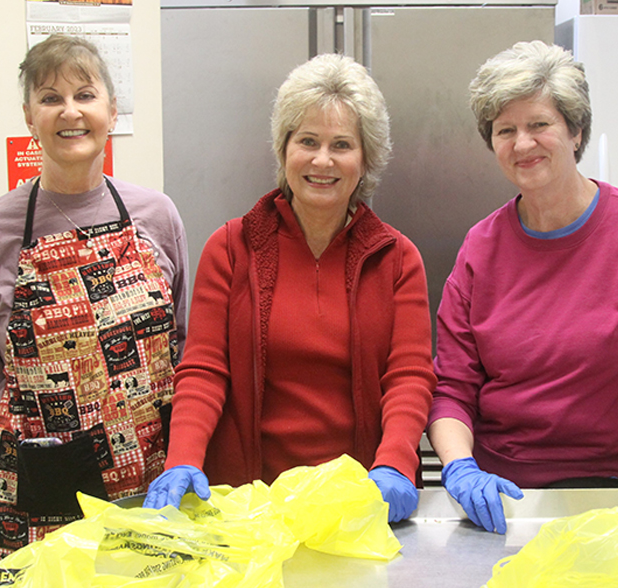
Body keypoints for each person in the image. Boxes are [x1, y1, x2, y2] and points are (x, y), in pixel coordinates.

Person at [427, 41, 618, 534]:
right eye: (505, 130)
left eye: (539, 125)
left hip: (615, 493)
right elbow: (452, 388)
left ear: (576, 131)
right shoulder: (480, 248)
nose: (522, 144)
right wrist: (460, 469)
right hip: (501, 497)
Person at [144, 54, 436, 522]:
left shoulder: (397, 259)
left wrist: (397, 461)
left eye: (342, 144)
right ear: (284, 150)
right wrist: (183, 457)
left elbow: (409, 376)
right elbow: (203, 369)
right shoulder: (231, 249)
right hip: (249, 505)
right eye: (308, 141)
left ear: (366, 159)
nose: (322, 160)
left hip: (358, 504)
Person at [0, 35, 189, 558]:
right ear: (29, 116)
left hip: (155, 476)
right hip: (47, 484)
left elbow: (183, 336)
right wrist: (17, 413)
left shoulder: (158, 216)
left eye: (85, 94)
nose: (70, 112)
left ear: (111, 110)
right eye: (51, 97)